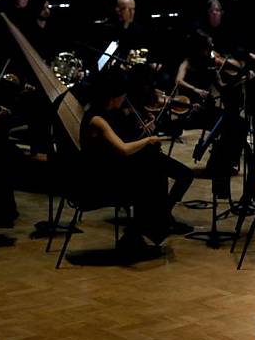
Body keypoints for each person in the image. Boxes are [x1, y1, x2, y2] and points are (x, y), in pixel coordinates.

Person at [80, 69, 194, 248]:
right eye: (122, 96)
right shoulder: (97, 119)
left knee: (155, 174)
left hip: (116, 168)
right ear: (113, 96)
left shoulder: (108, 113)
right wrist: (148, 139)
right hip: (102, 177)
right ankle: (143, 230)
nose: (124, 99)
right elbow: (123, 149)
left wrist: (143, 136)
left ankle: (139, 233)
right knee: (152, 180)